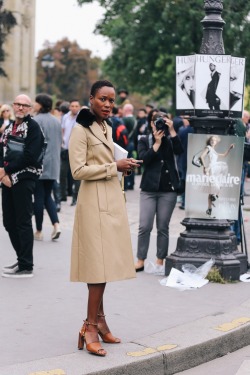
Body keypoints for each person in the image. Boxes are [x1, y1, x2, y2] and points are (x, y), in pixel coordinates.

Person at [68, 80, 139, 357]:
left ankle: (100, 320)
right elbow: (77, 170)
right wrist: (114, 167)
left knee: (105, 266)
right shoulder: (80, 129)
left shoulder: (105, 126)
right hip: (92, 205)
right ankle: (89, 327)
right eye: (103, 99)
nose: (108, 104)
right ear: (91, 99)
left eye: (111, 100)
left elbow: (105, 163)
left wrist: (123, 168)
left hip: (109, 201)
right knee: (97, 269)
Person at [0, 94, 44, 278]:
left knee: (23, 221)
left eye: (24, 105)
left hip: (24, 178)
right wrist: (3, 172)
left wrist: (6, 171)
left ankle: (27, 265)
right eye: (17, 104)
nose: (20, 107)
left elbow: (30, 157)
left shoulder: (33, 128)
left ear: (30, 108)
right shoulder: (9, 127)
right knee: (9, 221)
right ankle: (21, 258)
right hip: (6, 178)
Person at [134, 111, 183, 273]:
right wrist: (156, 143)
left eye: (163, 121)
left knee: (163, 227)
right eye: (157, 121)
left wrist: (173, 131)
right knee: (144, 226)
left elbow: (180, 151)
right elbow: (142, 160)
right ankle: (140, 260)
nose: (160, 124)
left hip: (167, 190)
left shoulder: (170, 139)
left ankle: (160, 260)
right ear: (151, 124)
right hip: (148, 189)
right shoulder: (144, 139)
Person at [33, 93, 62, 241]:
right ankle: (56, 224)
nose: (34, 104)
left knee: (38, 196)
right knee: (47, 195)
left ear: (41, 104)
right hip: (54, 163)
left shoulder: (35, 121)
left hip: (39, 163)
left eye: (36, 102)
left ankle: (38, 230)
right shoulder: (57, 121)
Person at [200, 135, 235, 217]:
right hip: (211, 169)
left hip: (216, 169)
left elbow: (223, 155)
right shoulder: (208, 148)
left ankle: (210, 208)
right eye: (212, 140)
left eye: (215, 140)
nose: (213, 141)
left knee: (215, 188)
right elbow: (201, 157)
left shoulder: (213, 150)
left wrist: (229, 149)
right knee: (212, 189)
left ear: (216, 143)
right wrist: (204, 167)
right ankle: (211, 205)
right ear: (209, 141)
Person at [60, 99, 81, 205]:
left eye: (76, 106)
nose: (74, 108)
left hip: (77, 150)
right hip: (65, 148)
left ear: (79, 107)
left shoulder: (81, 118)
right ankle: (62, 195)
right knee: (62, 172)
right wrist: (62, 142)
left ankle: (75, 197)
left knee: (76, 175)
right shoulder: (65, 117)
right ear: (69, 107)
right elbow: (62, 130)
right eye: (72, 106)